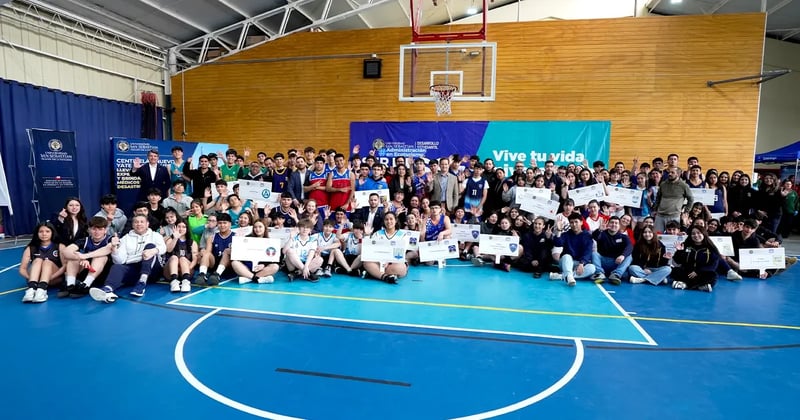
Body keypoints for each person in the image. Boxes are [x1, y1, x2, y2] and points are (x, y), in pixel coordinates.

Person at [89, 214, 167, 303]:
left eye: (142, 222)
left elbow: (163, 249)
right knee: (117, 267)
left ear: (147, 224)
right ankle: (108, 289)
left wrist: (154, 250)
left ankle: (142, 282)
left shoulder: (155, 235)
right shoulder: (125, 238)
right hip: (134, 268)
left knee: (150, 247)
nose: (139, 224)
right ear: (133, 225)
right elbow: (120, 260)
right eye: (136, 222)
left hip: (152, 270)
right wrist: (114, 248)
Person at [61, 216, 116, 298]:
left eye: (100, 229)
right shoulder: (84, 240)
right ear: (89, 230)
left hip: (104, 273)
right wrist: (80, 258)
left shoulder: (111, 239)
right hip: (86, 270)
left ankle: (86, 285)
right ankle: (70, 284)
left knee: (101, 257)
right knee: (73, 257)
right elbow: (66, 251)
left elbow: (107, 249)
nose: (97, 232)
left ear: (105, 230)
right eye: (94, 229)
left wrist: (85, 256)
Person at [20, 222, 66, 303]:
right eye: (41, 231)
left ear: (52, 232)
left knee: (47, 262)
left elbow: (65, 266)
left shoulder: (60, 246)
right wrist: (31, 278)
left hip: (53, 278)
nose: (44, 234)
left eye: (47, 231)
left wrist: (50, 277)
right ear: (37, 233)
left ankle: (42, 290)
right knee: (38, 260)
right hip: (35, 279)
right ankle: (31, 290)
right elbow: (22, 269)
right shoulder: (30, 248)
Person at [552, 213, 597, 286]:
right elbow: (557, 243)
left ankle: (562, 276)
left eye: (576, 222)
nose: (574, 224)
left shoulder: (587, 236)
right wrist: (559, 230)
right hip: (565, 263)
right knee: (566, 256)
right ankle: (569, 275)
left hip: (579, 264)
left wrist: (582, 263)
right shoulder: (566, 234)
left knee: (592, 268)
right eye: (572, 222)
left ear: (581, 222)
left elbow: (588, 252)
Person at [230, 218, 280, 284]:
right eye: (255, 227)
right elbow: (237, 253)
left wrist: (264, 265)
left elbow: (273, 259)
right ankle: (257, 279)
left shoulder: (269, 241)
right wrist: (237, 241)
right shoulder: (247, 238)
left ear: (265, 228)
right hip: (246, 268)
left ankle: (248, 278)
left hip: (261, 269)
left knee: (275, 267)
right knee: (234, 263)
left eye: (260, 227)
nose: (257, 229)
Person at [671, 226, 719, 292]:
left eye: (698, 233)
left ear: (704, 234)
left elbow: (713, 265)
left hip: (701, 273)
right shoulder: (685, 245)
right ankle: (699, 286)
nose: (696, 235)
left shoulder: (710, 248)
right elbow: (677, 262)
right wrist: (679, 251)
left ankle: (685, 285)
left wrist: (698, 271)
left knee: (713, 275)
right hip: (687, 273)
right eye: (693, 233)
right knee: (675, 271)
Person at [362, 212, 407, 284]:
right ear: (384, 221)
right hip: (378, 261)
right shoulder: (378, 233)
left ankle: (374, 274)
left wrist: (389, 261)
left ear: (396, 220)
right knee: (366, 263)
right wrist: (367, 235)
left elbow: (401, 252)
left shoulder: (403, 235)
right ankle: (385, 277)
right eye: (386, 219)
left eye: (391, 219)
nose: (389, 221)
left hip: (393, 262)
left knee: (401, 268)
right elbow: (369, 249)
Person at [591, 216, 633, 285]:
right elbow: (594, 236)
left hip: (616, 263)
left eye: (616, 223)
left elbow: (630, 247)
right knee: (594, 254)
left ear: (619, 226)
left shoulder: (623, 237)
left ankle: (616, 275)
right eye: (612, 222)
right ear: (608, 224)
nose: (614, 224)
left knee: (629, 256)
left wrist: (623, 255)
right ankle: (599, 274)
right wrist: (599, 230)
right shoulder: (602, 234)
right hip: (603, 262)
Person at [197, 212, 235, 286]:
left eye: (225, 223)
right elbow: (208, 253)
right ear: (217, 224)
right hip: (214, 264)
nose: (222, 225)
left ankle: (217, 274)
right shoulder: (212, 237)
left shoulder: (236, 236)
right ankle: (202, 274)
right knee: (206, 253)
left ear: (230, 224)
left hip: (228, 266)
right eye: (220, 223)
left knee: (227, 251)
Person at [653, 167, 693, 233]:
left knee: (673, 236)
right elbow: (658, 198)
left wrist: (686, 211)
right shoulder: (663, 184)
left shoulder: (684, 186)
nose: (669, 174)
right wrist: (655, 209)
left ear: (678, 174)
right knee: (657, 236)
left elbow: (691, 199)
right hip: (660, 215)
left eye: (672, 172)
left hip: (674, 216)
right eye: (669, 172)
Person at [163, 218, 197, 292]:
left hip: (185, 270)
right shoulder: (170, 239)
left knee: (182, 258)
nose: (181, 229)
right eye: (179, 226)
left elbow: (195, 260)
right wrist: (175, 238)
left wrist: (187, 269)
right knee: (174, 257)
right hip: (170, 271)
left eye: (184, 227)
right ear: (175, 227)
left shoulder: (192, 242)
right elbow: (169, 250)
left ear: (187, 229)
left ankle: (186, 281)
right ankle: (174, 281)